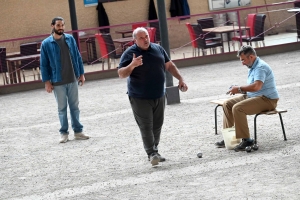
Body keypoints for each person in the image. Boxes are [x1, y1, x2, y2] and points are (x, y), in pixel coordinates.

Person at [118, 27, 188, 166]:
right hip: (140, 97)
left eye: (147, 36)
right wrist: (132, 65)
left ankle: (154, 150)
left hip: (159, 94)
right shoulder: (129, 53)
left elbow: (169, 65)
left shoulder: (158, 49)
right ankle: (151, 153)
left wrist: (180, 78)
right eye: (141, 38)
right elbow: (121, 73)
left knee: (157, 125)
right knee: (146, 126)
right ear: (135, 40)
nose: (145, 40)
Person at [215, 45, 279, 151]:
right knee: (227, 104)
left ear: (251, 57)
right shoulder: (253, 66)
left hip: (267, 100)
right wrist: (237, 89)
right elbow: (253, 87)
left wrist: (239, 88)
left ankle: (247, 140)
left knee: (237, 108)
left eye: (243, 60)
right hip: (254, 96)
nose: (242, 63)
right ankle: (230, 137)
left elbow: (257, 86)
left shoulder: (260, 67)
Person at [40, 17, 90, 143]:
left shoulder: (70, 39)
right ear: (52, 26)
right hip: (57, 82)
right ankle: (64, 133)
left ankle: (78, 131)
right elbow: (43, 64)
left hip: (72, 79)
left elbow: (78, 57)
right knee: (62, 109)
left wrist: (81, 74)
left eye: (62, 25)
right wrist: (47, 82)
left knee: (75, 107)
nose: (61, 27)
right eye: (58, 25)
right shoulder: (46, 43)